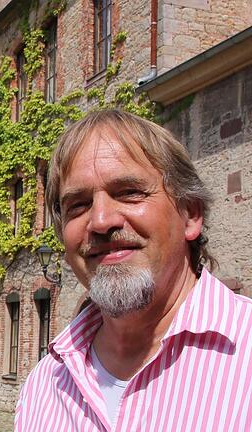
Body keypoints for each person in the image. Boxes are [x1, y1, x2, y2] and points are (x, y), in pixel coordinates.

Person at [15, 109, 252, 431]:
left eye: (129, 193)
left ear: (190, 215)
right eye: (79, 205)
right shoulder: (46, 384)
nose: (101, 221)